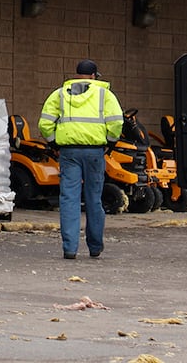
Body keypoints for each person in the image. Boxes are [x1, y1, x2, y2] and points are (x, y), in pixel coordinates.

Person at [39, 59, 124, 260]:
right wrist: (109, 144)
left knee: (69, 198)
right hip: (95, 151)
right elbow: (117, 123)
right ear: (94, 76)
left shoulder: (59, 94)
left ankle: (70, 248)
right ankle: (95, 247)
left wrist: (54, 145)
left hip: (69, 152)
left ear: (77, 75)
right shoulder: (105, 95)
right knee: (94, 199)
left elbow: (44, 124)